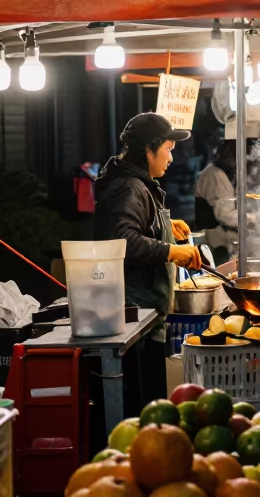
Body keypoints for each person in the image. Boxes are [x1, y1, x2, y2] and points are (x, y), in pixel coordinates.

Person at [94, 113, 202, 335]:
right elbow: (122, 241)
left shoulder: (137, 185)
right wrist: (171, 251)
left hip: (145, 316)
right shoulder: (128, 187)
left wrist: (162, 225)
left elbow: (131, 224)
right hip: (133, 320)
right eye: (168, 149)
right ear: (147, 149)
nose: (171, 158)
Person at [194, 140, 239, 265]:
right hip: (217, 243)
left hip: (223, 239)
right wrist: (256, 219)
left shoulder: (220, 173)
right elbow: (225, 215)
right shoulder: (215, 175)